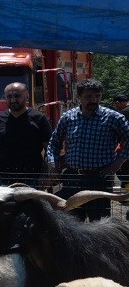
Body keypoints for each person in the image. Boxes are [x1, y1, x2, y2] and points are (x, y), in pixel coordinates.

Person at [46, 79, 129, 221]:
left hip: (99, 178)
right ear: (79, 97)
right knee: (71, 224)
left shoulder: (113, 118)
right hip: (72, 178)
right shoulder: (68, 117)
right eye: (89, 97)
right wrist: (52, 164)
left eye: (97, 96)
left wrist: (119, 161)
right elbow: (54, 142)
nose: (94, 100)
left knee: (99, 225)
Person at [0, 82, 52, 188]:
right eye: (9, 96)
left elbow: (49, 149)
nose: (13, 100)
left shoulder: (39, 118)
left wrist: (45, 175)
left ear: (27, 96)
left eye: (17, 96)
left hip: (32, 178)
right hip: (3, 179)